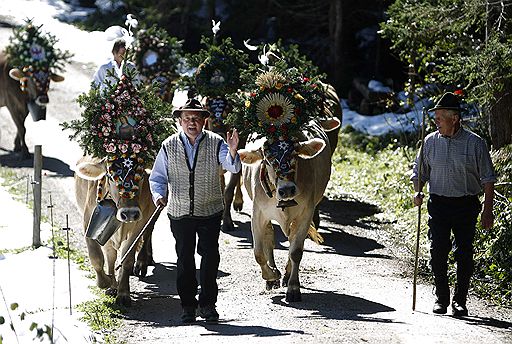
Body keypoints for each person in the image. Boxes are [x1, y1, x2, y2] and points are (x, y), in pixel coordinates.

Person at [149, 98, 241, 323]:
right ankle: (188, 306)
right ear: (180, 122)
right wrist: (159, 195)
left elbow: (232, 166)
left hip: (210, 210)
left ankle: (208, 305)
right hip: (180, 213)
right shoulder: (168, 145)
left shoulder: (216, 142)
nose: (192, 122)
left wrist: (232, 151)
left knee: (210, 258)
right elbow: (157, 177)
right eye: (187, 118)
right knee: (184, 260)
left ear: (204, 121)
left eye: (196, 118)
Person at [411, 92, 496, 317]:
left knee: (463, 254)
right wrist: (418, 191)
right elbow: (419, 173)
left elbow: (488, 179)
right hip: (438, 203)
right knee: (437, 251)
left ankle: (460, 301)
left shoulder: (475, 144)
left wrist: (488, 211)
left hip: (466, 205)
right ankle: (441, 298)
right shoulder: (429, 142)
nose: (436, 121)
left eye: (440, 117)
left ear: (455, 118)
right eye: (436, 117)